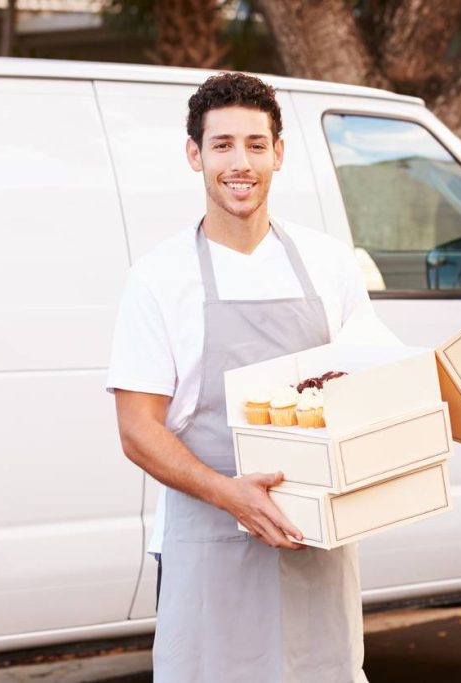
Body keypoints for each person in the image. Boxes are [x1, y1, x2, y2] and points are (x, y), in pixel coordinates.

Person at [107, 72, 392, 682]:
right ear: (195, 155)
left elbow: (373, 384)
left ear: (279, 153)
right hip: (210, 546)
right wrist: (228, 492)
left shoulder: (329, 265)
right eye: (223, 145)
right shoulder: (159, 279)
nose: (241, 163)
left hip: (318, 543)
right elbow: (136, 428)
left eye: (256, 145)